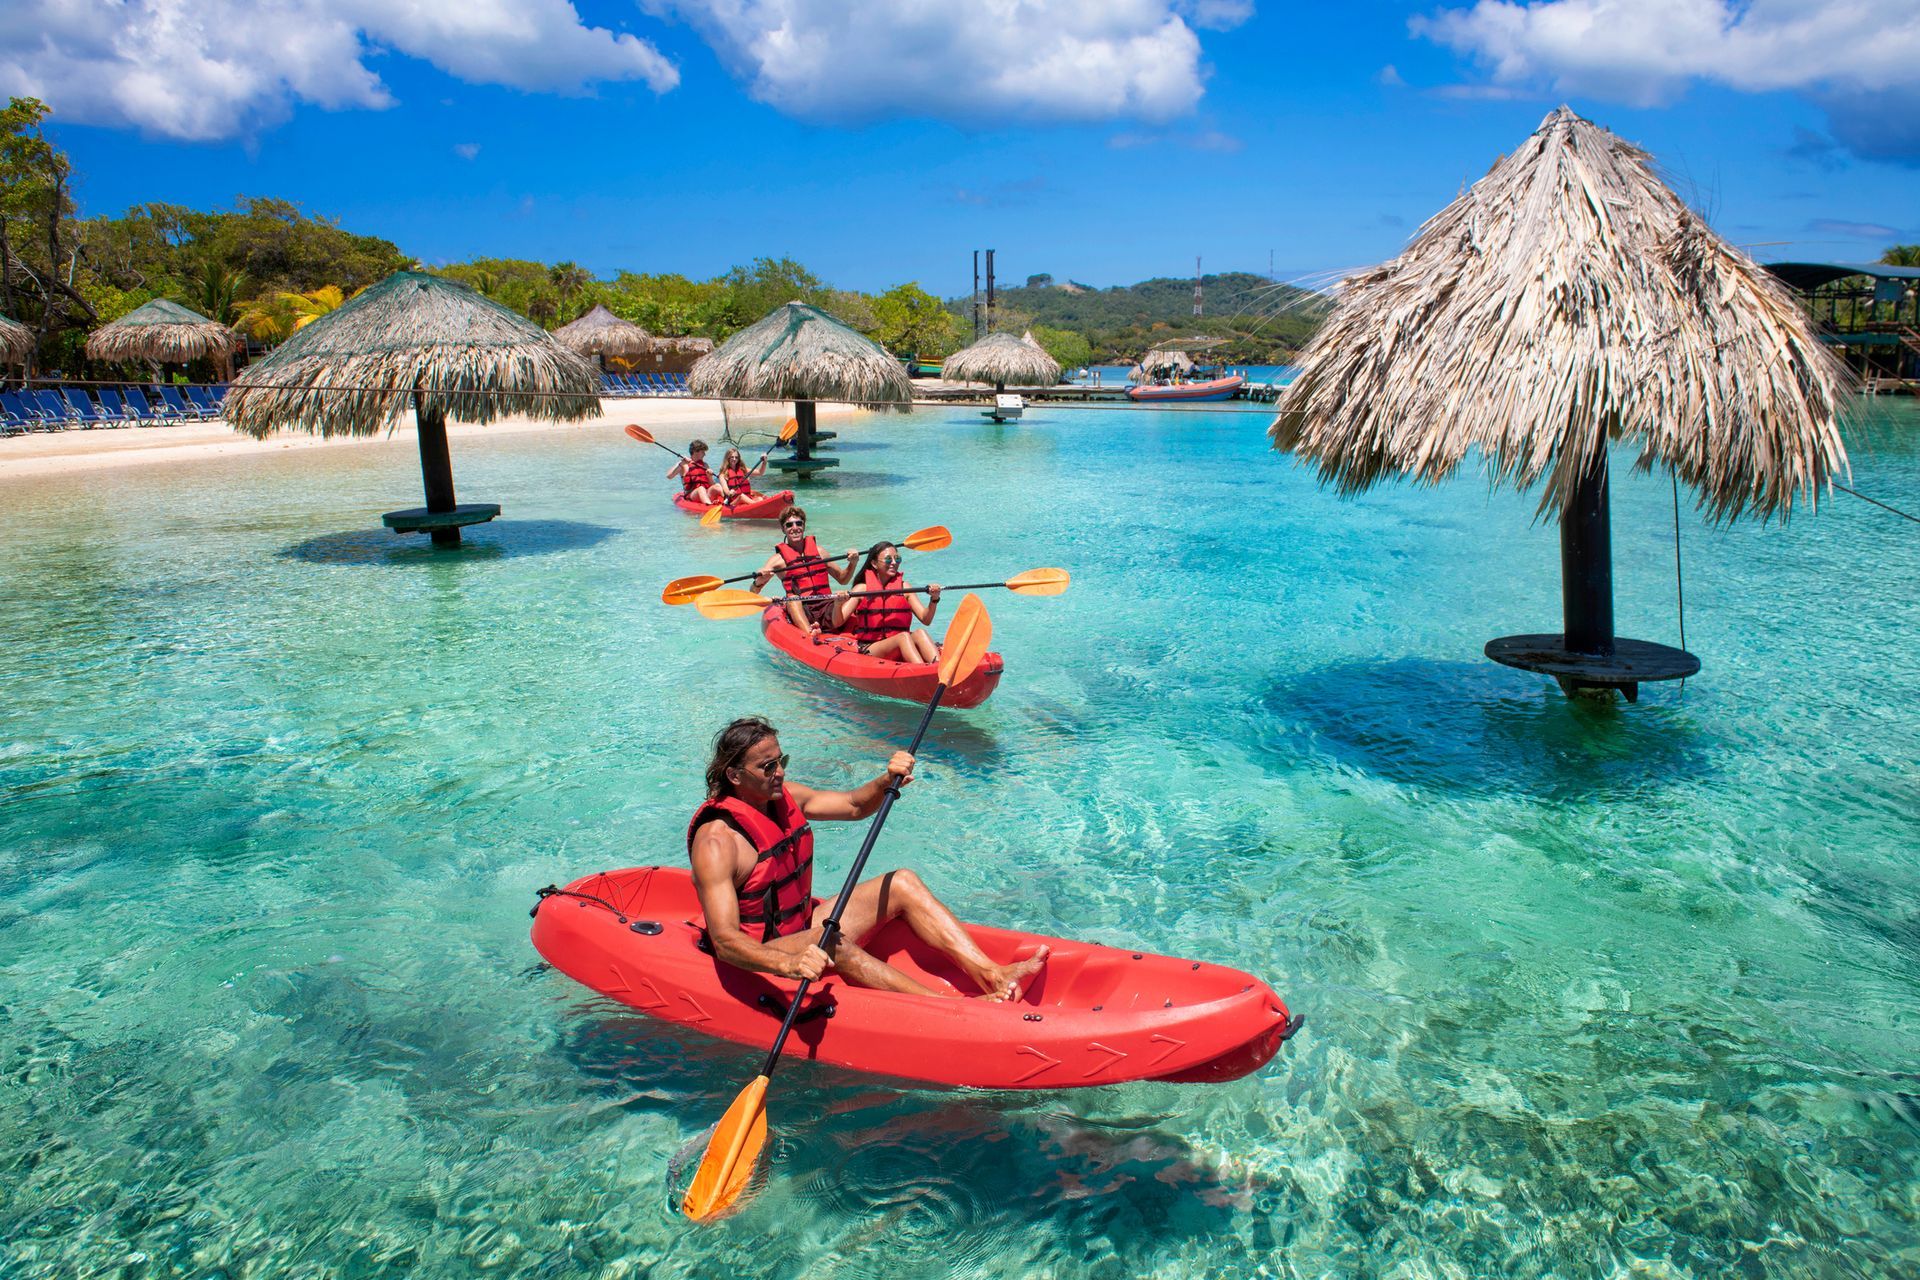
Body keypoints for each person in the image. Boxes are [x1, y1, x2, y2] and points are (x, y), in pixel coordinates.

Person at [688, 717, 1047, 999]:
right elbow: (726, 943)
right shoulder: (717, 843)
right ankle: (947, 1008)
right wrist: (790, 961)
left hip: (800, 926)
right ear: (734, 775)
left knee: (901, 882)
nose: (780, 772)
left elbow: (854, 805)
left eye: (781, 761)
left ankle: (990, 973)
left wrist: (886, 779)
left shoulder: (785, 798)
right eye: (767, 767)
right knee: (829, 939)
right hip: (761, 954)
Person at [751, 506, 857, 637]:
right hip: (803, 610)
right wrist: (758, 581)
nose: (794, 528)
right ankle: (809, 634)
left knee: (861, 589)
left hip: (826, 606)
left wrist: (853, 563)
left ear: (804, 526)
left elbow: (843, 579)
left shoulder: (820, 552)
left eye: (798, 523)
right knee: (792, 599)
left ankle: (826, 626)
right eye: (789, 525)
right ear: (783, 529)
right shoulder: (777, 561)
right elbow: (753, 593)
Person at [833, 541, 941, 664]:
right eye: (888, 560)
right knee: (903, 636)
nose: (894, 563)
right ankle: (923, 671)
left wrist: (934, 599)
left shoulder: (905, 588)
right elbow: (837, 622)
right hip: (870, 647)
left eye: (897, 559)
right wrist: (838, 604)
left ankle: (939, 666)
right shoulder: (862, 589)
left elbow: (926, 619)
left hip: (898, 643)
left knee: (919, 633)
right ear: (874, 563)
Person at [667, 439, 721, 505]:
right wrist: (681, 463)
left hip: (706, 492)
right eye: (703, 452)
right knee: (701, 489)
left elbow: (711, 485)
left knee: (717, 486)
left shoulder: (705, 465)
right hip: (692, 495)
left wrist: (710, 477)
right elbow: (669, 476)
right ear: (695, 451)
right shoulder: (684, 464)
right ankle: (709, 507)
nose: (705, 454)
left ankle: (728, 501)